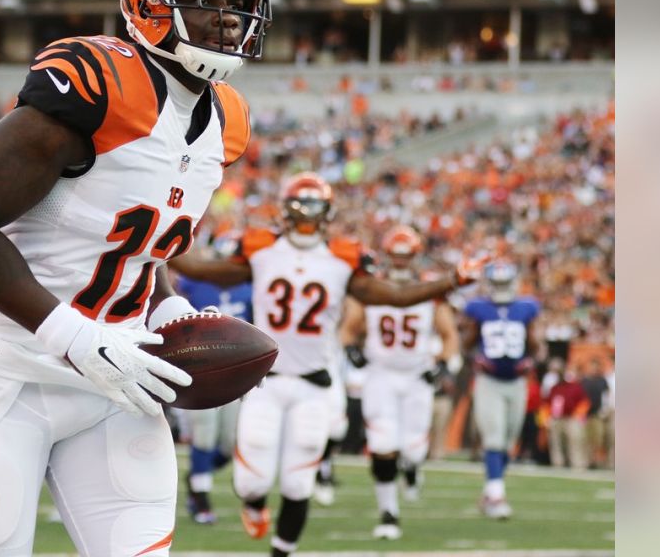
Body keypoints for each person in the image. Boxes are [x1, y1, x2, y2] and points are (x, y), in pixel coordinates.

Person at [0, 0, 271, 557]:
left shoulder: (229, 122)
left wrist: (169, 308)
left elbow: (140, 249)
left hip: (120, 375)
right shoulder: (100, 80)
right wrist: (73, 335)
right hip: (7, 367)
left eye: (238, 0)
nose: (226, 15)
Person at [169, 173, 485, 557]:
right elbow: (201, 270)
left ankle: (282, 552)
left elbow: (398, 295)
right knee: (251, 482)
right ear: (285, 208)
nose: (306, 214)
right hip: (264, 381)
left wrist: (450, 281)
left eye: (314, 205)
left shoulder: (343, 257)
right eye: (300, 205)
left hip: (314, 386)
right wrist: (161, 240)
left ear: (328, 211)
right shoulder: (262, 249)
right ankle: (254, 505)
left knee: (299, 483)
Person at [339, 225, 462, 540]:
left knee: (413, 449)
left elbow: (449, 336)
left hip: (416, 375)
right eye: (395, 255)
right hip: (381, 373)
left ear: (416, 256)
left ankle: (412, 467)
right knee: (382, 445)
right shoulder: (372, 288)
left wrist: (443, 365)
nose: (400, 262)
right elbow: (349, 328)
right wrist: (351, 349)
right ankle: (388, 513)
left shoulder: (429, 293)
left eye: (405, 257)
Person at [173, 254, 253, 525]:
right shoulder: (193, 283)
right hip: (201, 368)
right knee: (204, 435)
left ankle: (197, 475)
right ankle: (201, 496)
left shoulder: (249, 288)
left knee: (229, 445)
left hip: (235, 371)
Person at [463, 260, 539, 519]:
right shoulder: (479, 308)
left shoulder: (526, 307)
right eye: (496, 283)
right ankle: (497, 496)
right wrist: (474, 354)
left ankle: (489, 491)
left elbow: (534, 342)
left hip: (517, 381)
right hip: (490, 380)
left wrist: (533, 358)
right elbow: (468, 340)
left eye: (504, 283)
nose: (501, 288)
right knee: (493, 438)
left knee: (507, 442)